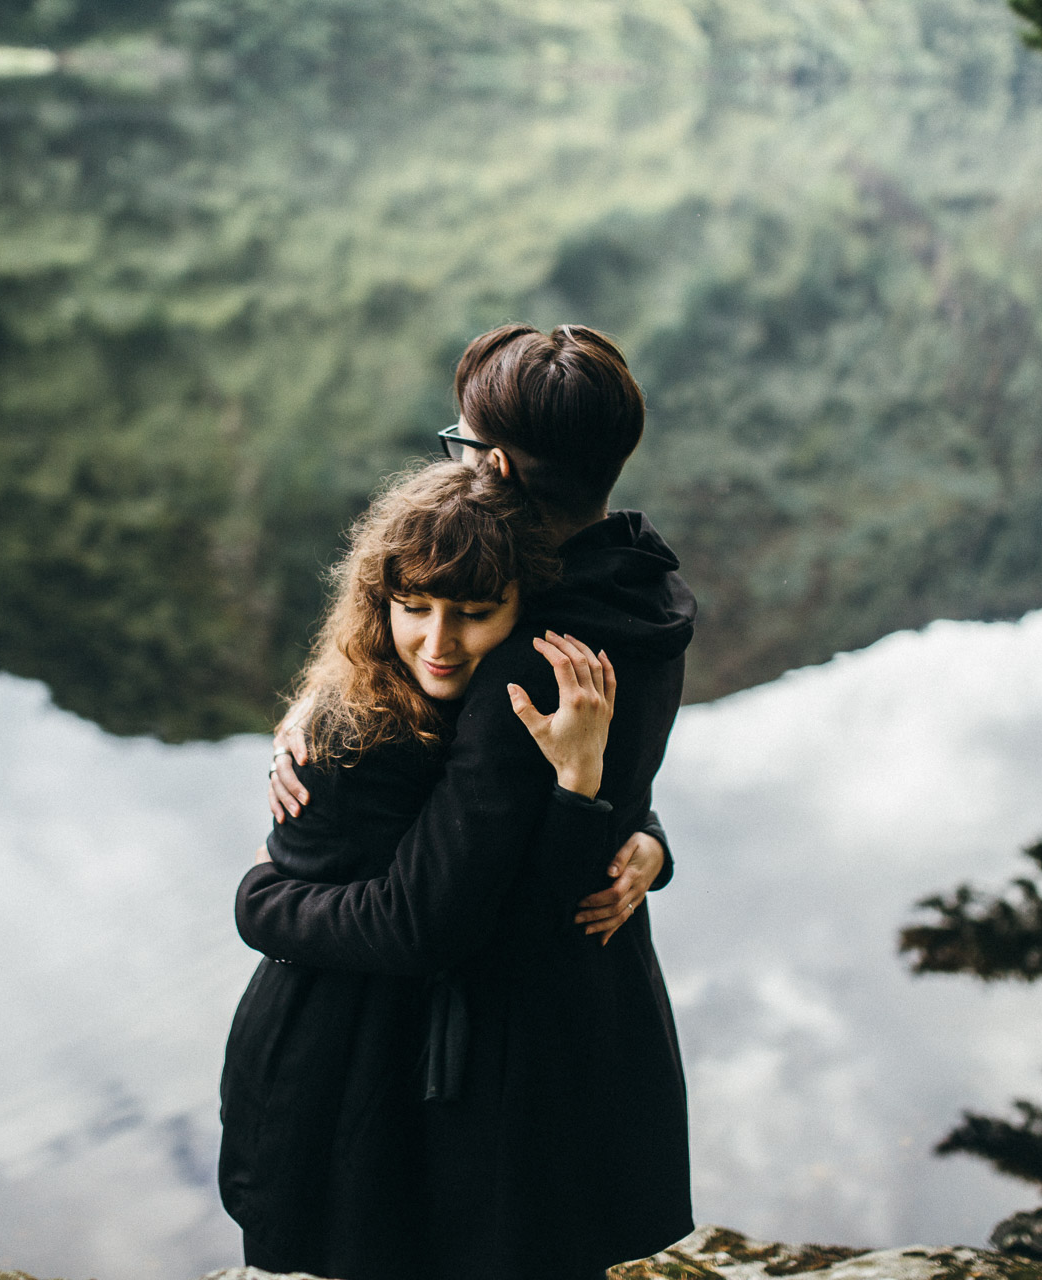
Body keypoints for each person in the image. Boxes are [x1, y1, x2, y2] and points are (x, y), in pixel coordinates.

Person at [238, 324, 697, 1278]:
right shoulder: (641, 587)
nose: (443, 634)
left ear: (494, 465)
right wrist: (644, 835)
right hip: (586, 1024)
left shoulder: (528, 659)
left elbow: (436, 916)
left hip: (487, 1061)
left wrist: (263, 898)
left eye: (462, 444)